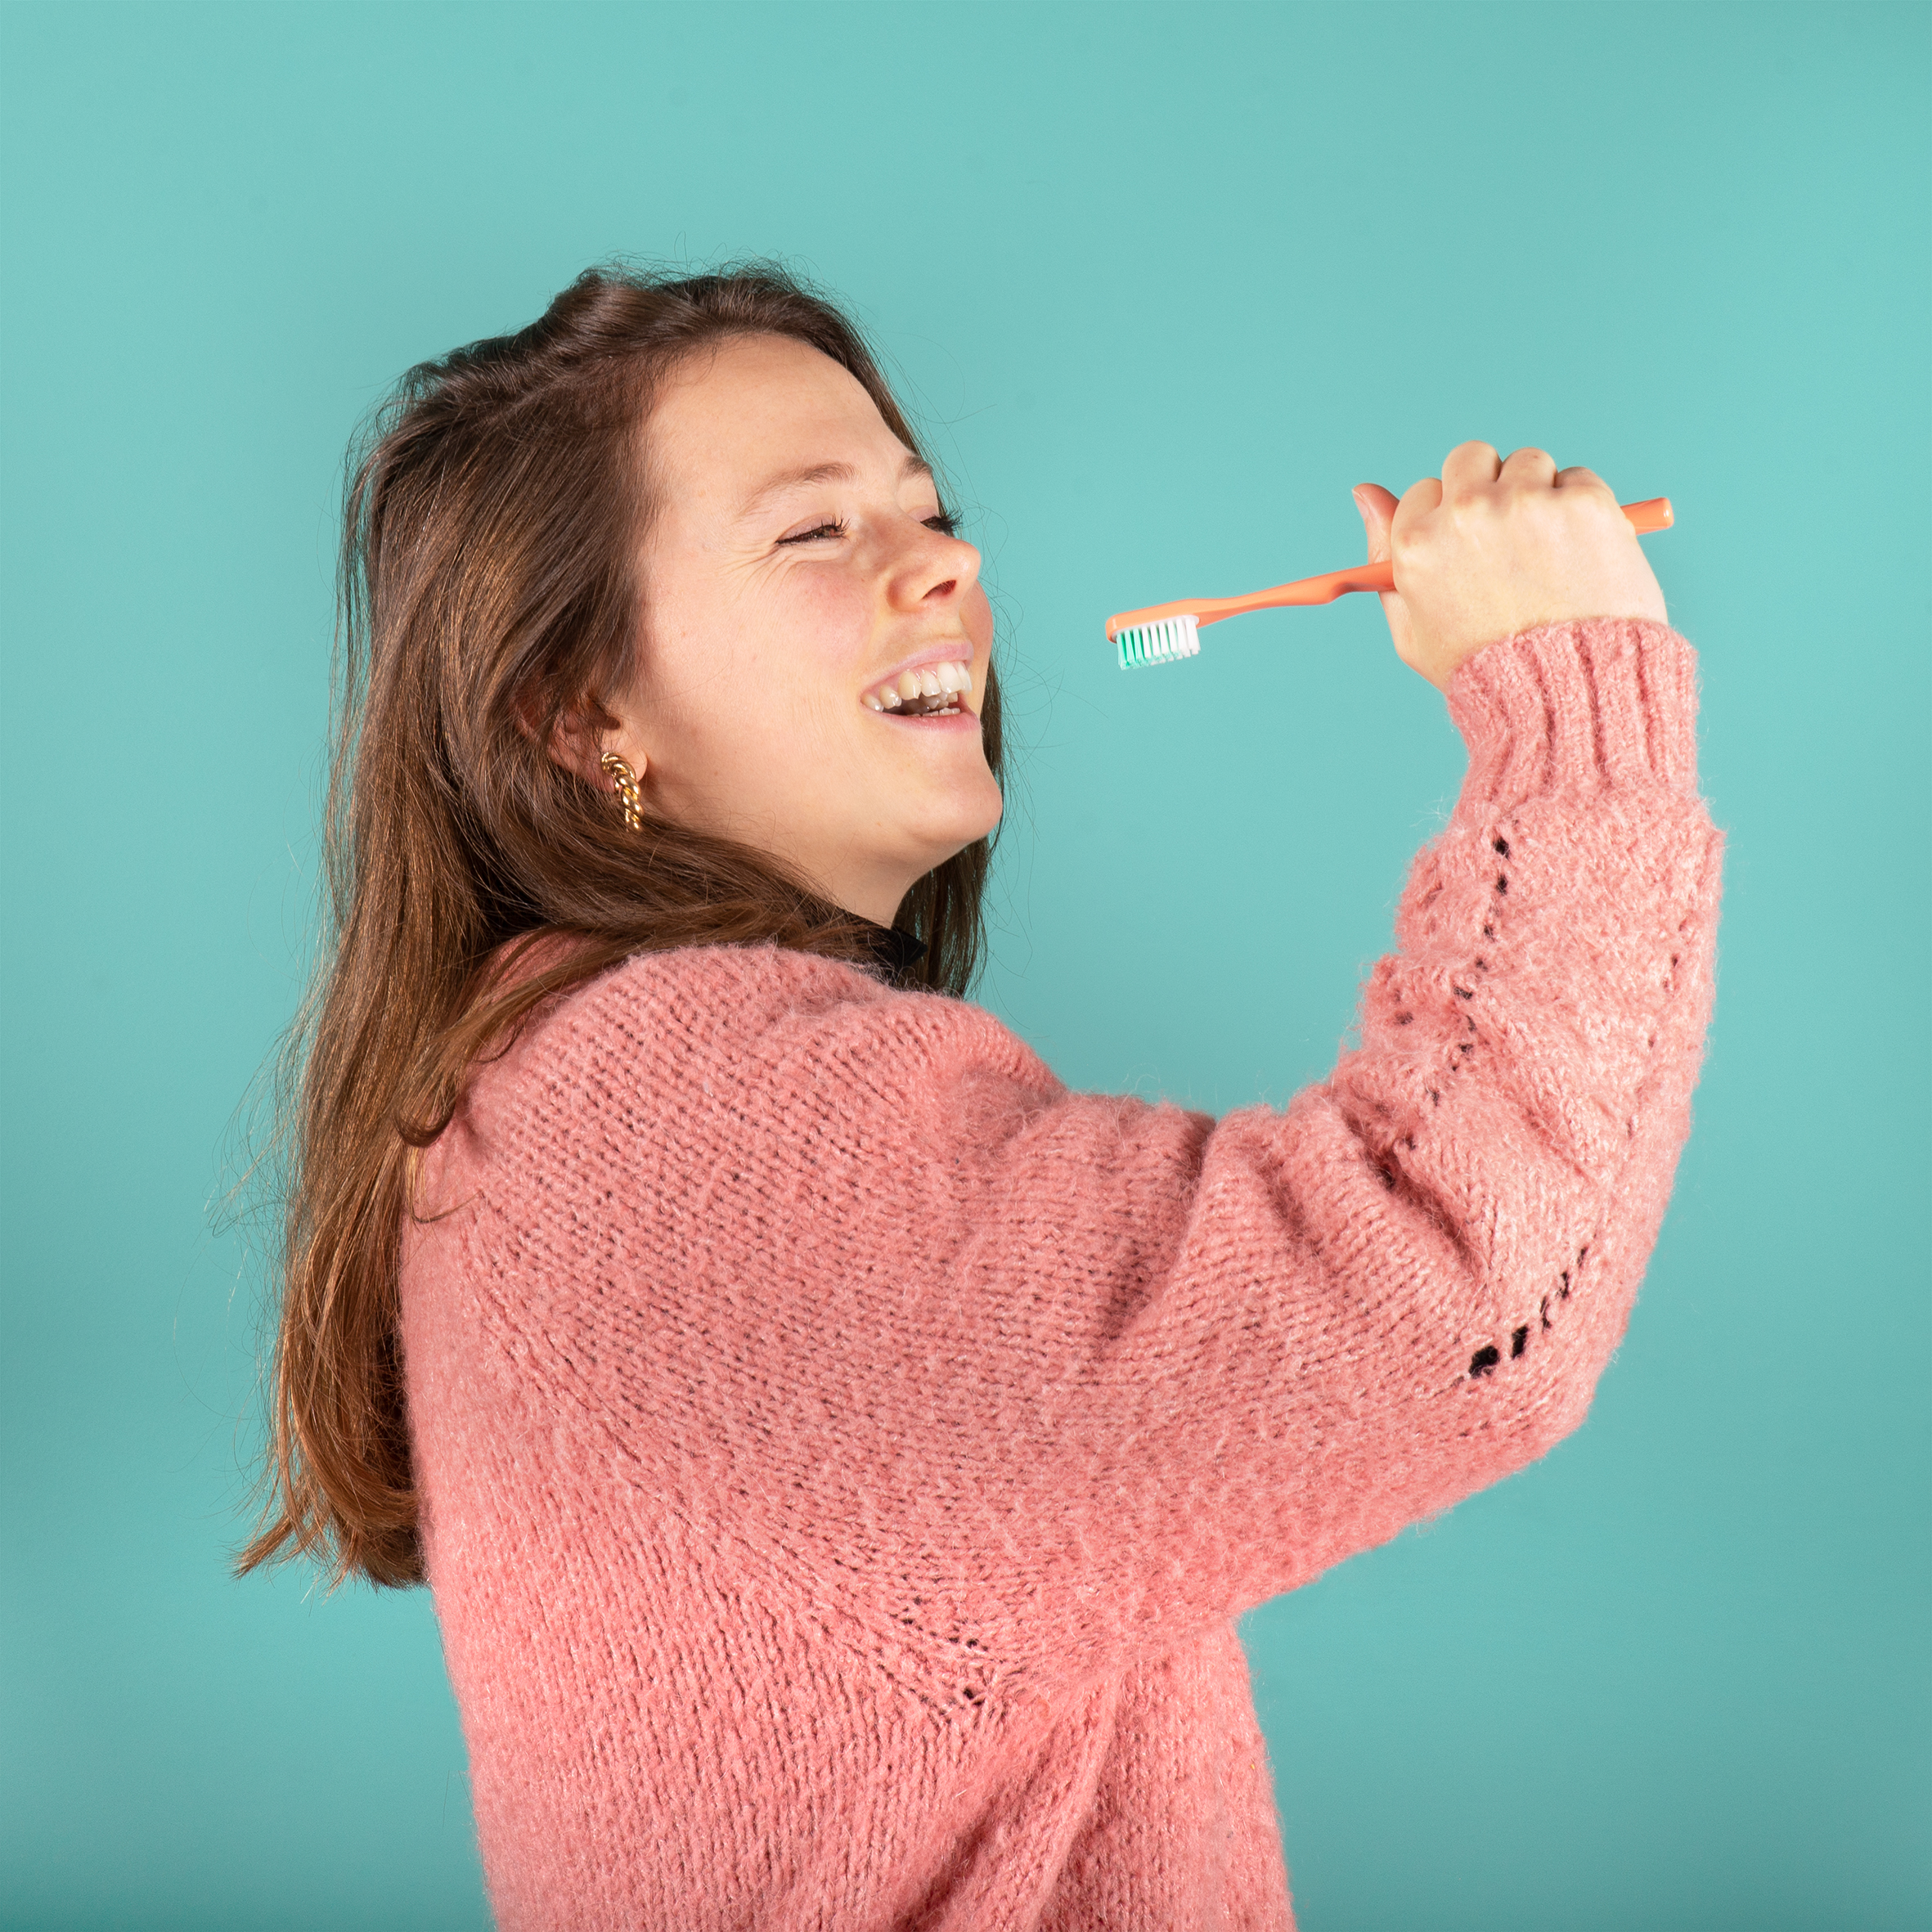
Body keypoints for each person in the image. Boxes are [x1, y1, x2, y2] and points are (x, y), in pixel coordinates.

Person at [240, 261, 1723, 1931]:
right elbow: (1445, 1291)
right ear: (579, 710)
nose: (944, 562)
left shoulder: (543, 1096)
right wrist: (1569, 698)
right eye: (817, 533)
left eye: (928, 514)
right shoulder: (709, 1120)